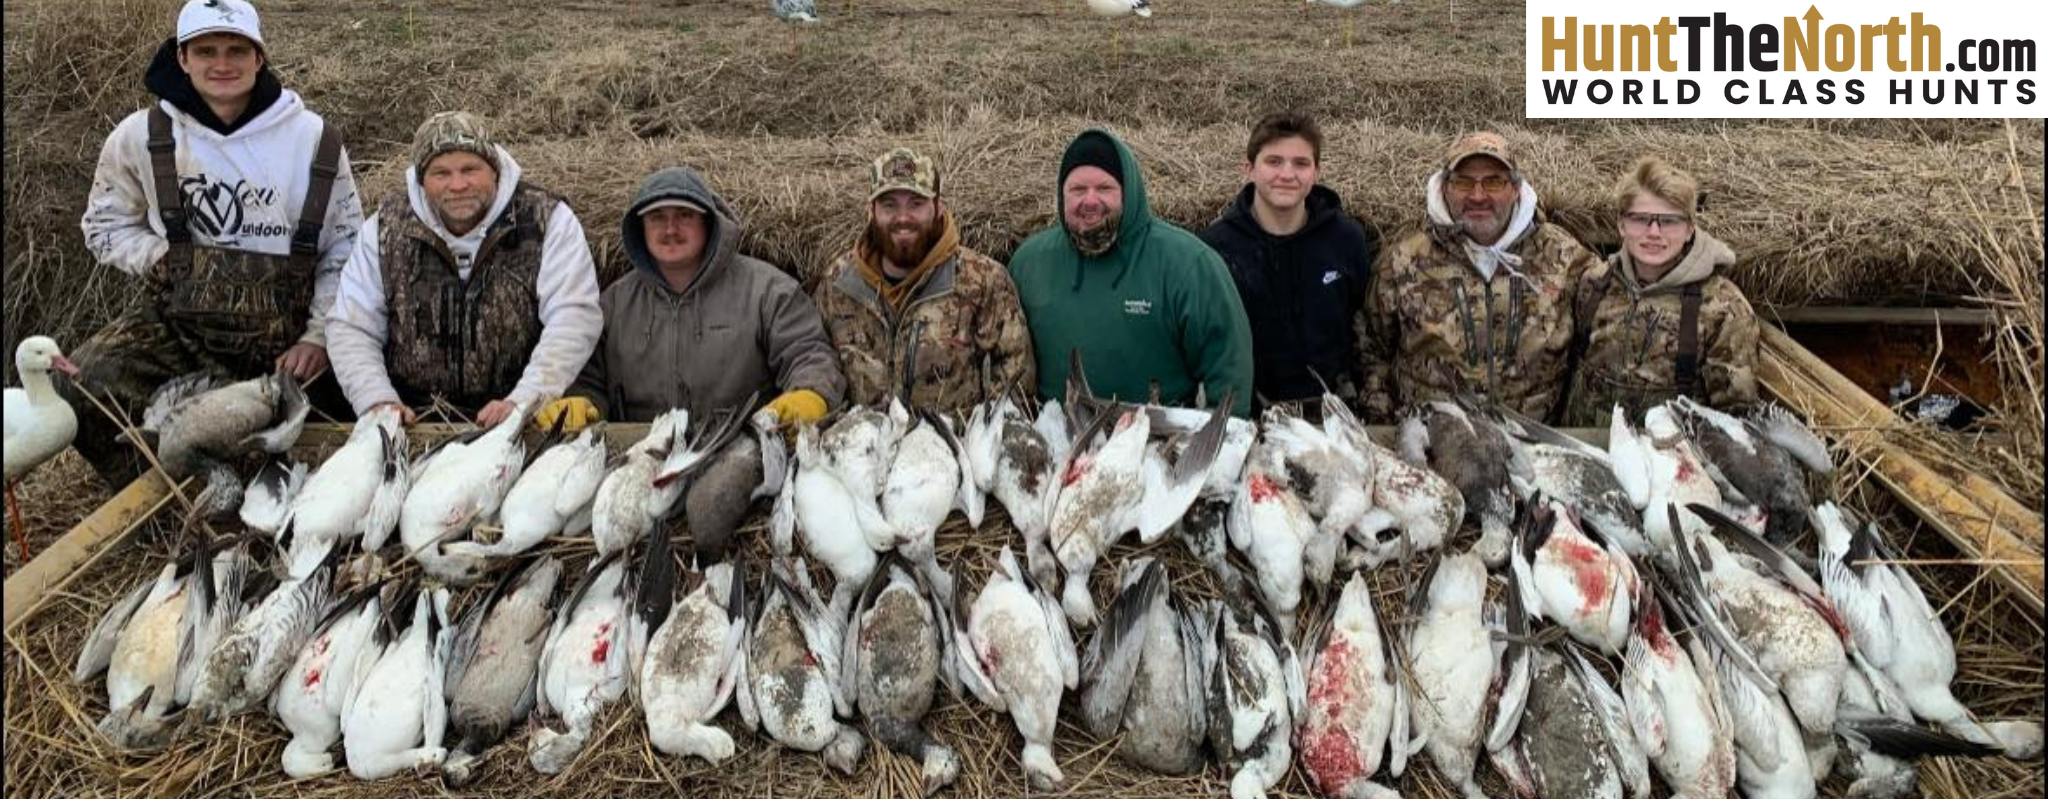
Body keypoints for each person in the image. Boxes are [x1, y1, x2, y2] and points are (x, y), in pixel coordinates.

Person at [67, 0, 362, 485]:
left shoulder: (312, 138)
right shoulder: (142, 136)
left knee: (375, 399)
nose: (222, 64)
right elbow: (103, 226)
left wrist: (318, 335)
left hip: (289, 341)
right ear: (182, 58)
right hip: (183, 331)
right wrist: (154, 255)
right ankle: (171, 492)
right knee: (82, 384)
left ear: (259, 57)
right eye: (206, 51)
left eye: (236, 50)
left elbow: (346, 245)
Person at [325, 112, 602, 428]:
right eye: (441, 173)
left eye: (470, 169)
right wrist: (378, 402)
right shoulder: (385, 228)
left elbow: (573, 316)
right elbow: (352, 325)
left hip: (520, 420)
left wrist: (526, 399)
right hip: (414, 420)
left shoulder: (547, 219)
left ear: (494, 170)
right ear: (421, 179)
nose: (458, 185)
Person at [566, 167, 843, 425]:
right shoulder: (614, 304)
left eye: (685, 215)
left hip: (743, 452)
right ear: (641, 228)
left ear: (709, 223)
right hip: (636, 454)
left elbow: (808, 354)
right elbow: (586, 377)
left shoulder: (769, 290)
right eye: (657, 217)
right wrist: (579, 399)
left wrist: (811, 393)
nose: (670, 229)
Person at [1008, 128, 1254, 416]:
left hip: (1156, 440)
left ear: (1128, 191)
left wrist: (1222, 439)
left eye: (1104, 188)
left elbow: (1227, 362)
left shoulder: (1187, 262)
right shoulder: (1030, 262)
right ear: (1061, 195)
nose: (1089, 200)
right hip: (1057, 439)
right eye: (1077, 189)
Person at [1356, 131, 1599, 423]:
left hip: (1535, 444)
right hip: (1437, 444)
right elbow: (1370, 352)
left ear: (1516, 189)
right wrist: (1384, 427)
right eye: (1463, 181)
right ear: (1445, 187)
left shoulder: (1566, 257)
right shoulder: (1402, 262)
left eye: (1494, 181)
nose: (1478, 196)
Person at [811, 147, 1034, 412]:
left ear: (938, 207)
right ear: (870, 211)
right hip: (863, 447)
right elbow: (817, 364)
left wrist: (976, 437)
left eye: (916, 203)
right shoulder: (837, 283)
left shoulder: (983, 280)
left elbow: (1016, 382)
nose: (903, 218)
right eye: (889, 205)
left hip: (951, 448)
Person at [1560, 157, 1759, 425]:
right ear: (1621, 225)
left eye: (1669, 221)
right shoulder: (1594, 283)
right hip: (1589, 448)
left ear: (1690, 229)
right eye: (1640, 219)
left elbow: (1735, 420)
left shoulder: (1724, 309)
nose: (1653, 232)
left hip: (1670, 459)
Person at [1200, 113, 1376, 411]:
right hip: (1249, 414)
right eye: (1273, 161)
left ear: (1316, 172)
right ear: (1249, 169)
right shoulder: (1215, 247)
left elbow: (1363, 325)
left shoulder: (1347, 239)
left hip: (1332, 413)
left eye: (1301, 163)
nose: (1287, 174)